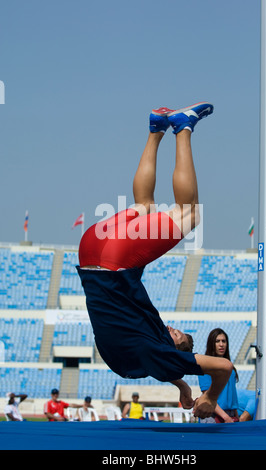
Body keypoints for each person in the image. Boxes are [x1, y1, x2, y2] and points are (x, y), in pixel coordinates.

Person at [76, 102, 233, 419]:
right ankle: (155, 129)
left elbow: (224, 366)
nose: (173, 329)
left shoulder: (157, 351)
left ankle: (183, 127)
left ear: (172, 351)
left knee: (189, 214)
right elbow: (161, 365)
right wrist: (183, 388)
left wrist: (209, 396)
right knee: (144, 206)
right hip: (89, 250)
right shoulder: (141, 354)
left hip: (112, 261)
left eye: (176, 336)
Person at [198, 328, 239, 423]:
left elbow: (232, 394)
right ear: (211, 344)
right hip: (211, 415)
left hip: (230, 415)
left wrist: (235, 414)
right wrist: (225, 417)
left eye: (224, 341)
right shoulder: (206, 366)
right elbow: (207, 396)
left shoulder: (231, 368)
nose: (221, 344)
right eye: (217, 341)